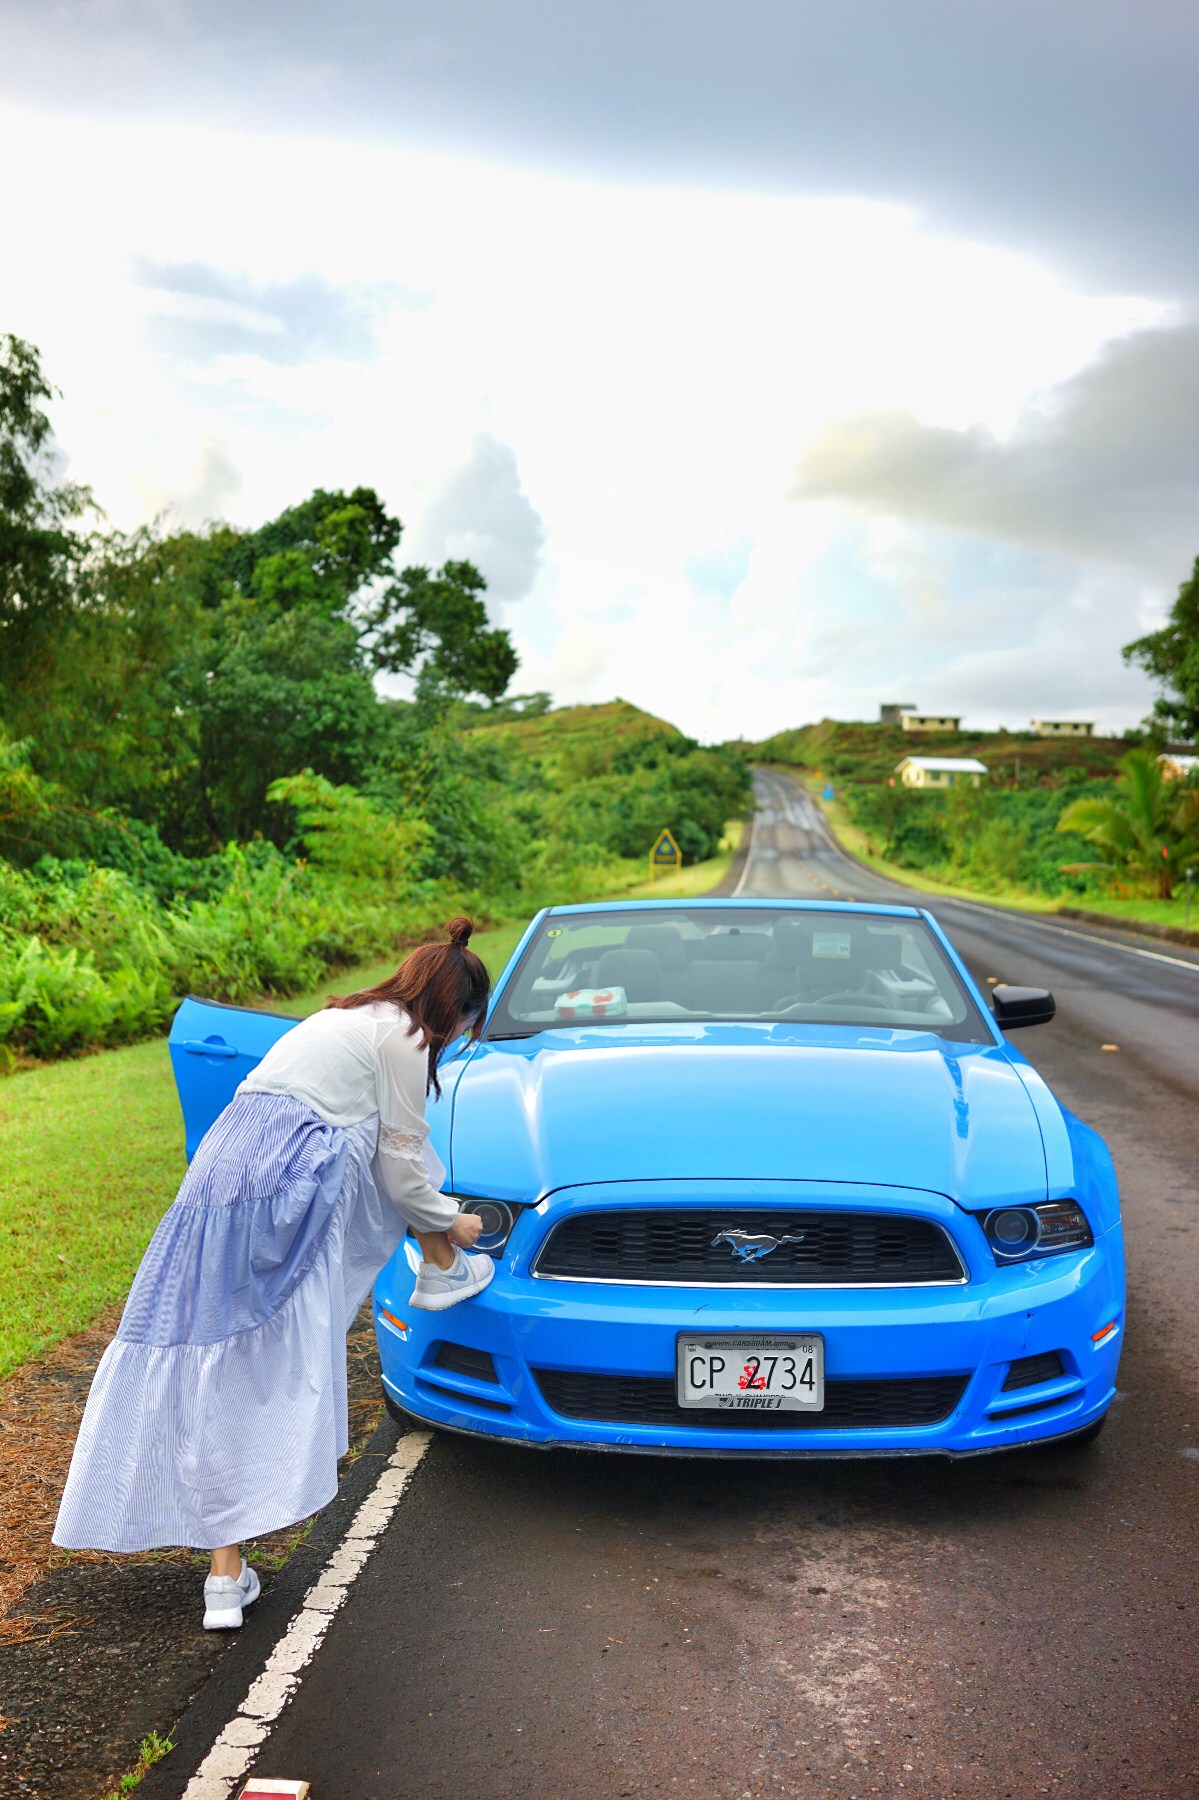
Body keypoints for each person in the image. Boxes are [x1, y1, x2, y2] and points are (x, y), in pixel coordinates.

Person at [53, 917, 493, 1631]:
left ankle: (224, 1579)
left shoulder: (340, 1017)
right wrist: (448, 1217)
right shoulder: (407, 1039)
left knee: (210, 1352)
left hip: (216, 1181)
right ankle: (442, 1263)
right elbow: (402, 1161)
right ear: (454, 1010)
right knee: (264, 1358)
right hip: (286, 1187)